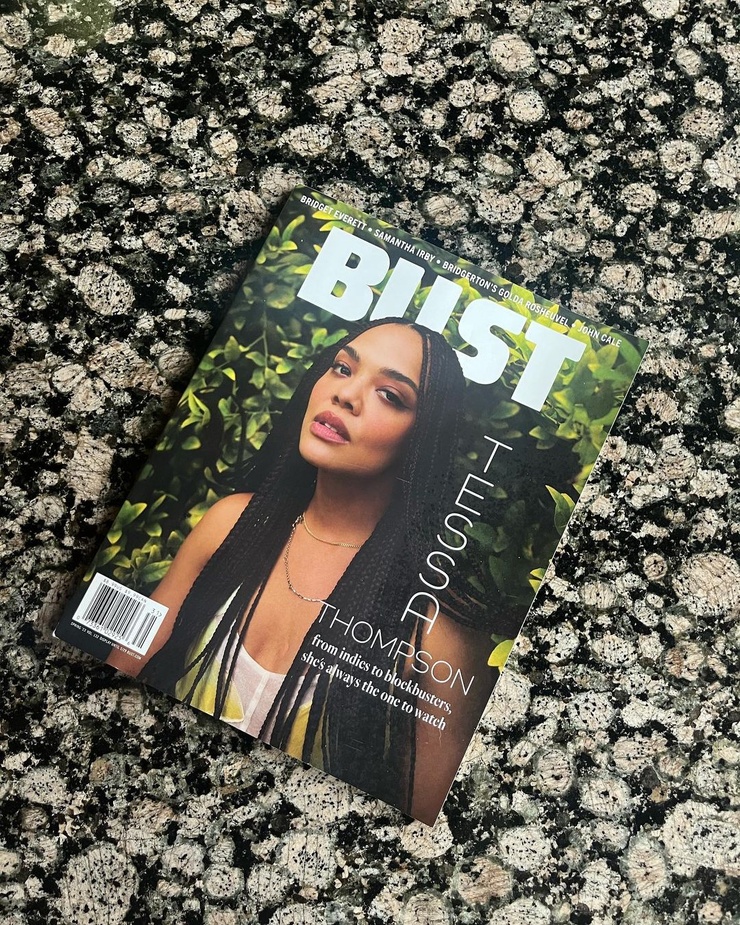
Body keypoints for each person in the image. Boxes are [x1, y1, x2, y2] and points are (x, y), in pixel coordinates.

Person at [108, 319, 494, 822]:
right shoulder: (230, 524)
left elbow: (417, 832)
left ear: (423, 441)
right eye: (342, 368)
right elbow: (115, 683)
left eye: (390, 395)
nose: (345, 394)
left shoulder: (432, 633)